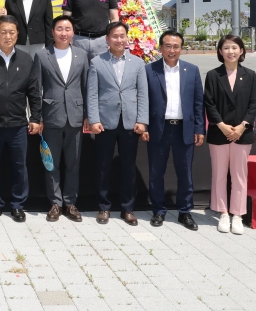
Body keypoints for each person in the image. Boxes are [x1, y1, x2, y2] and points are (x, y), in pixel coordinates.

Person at [86, 21, 148, 226]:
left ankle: (128, 208)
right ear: (107, 39)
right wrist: (93, 119)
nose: (119, 40)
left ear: (127, 38)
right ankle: (104, 207)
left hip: (130, 122)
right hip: (105, 121)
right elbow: (92, 93)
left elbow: (143, 94)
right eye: (114, 36)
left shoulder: (138, 63)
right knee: (103, 166)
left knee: (128, 167)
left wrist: (142, 120)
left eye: (122, 36)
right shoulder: (97, 62)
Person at [0, 16, 42, 223]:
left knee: (19, 166)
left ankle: (17, 205)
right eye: (3, 32)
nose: (8, 36)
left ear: (17, 35)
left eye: (12, 32)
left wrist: (35, 117)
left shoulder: (26, 59)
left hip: (18, 124)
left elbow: (34, 92)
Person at [145, 30, 204, 230]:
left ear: (181, 49)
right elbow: (143, 102)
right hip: (158, 129)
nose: (172, 50)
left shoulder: (192, 70)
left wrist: (199, 128)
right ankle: (158, 211)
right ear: (161, 48)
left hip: (184, 129)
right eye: (168, 46)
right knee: (156, 172)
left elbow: (198, 102)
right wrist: (143, 125)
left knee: (185, 173)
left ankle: (185, 212)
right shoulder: (149, 70)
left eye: (176, 46)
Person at [33, 15, 88, 223]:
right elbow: (36, 89)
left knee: (73, 163)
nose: (63, 33)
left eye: (67, 29)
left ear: (73, 32)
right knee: (51, 163)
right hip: (51, 116)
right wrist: (37, 117)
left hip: (75, 116)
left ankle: (70, 203)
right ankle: (55, 203)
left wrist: (86, 115)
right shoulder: (42, 54)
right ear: (53, 32)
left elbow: (86, 86)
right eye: (59, 29)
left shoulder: (82, 55)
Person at [204, 34, 256, 235]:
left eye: (235, 47)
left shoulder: (250, 75)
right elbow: (208, 103)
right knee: (219, 175)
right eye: (226, 48)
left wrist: (243, 126)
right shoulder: (212, 75)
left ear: (242, 51)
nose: (231, 51)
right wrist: (222, 125)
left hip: (242, 134)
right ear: (220, 51)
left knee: (239, 176)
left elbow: (254, 103)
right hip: (219, 133)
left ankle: (237, 214)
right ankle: (223, 213)